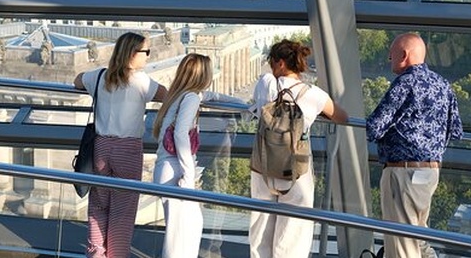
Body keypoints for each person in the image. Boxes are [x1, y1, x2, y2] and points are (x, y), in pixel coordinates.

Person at [249, 39, 349, 258]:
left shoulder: (265, 83)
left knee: (260, 230)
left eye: (271, 62)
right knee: (293, 235)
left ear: (281, 63)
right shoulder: (313, 94)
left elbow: (257, 109)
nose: (270, 67)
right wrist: (314, 112)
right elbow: (342, 117)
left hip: (263, 166)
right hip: (296, 171)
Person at [366, 33, 463, 258]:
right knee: (418, 238)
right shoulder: (442, 84)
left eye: (391, 54)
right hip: (430, 172)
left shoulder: (405, 83)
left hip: (403, 171)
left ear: (404, 55)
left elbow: (374, 127)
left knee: (402, 244)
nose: (389, 58)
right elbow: (455, 130)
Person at [73, 32, 168, 258]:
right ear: (133, 54)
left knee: (98, 207)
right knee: (122, 212)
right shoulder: (142, 81)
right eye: (146, 52)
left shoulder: (99, 77)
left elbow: (77, 81)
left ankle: (95, 254)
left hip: (101, 147)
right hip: (128, 149)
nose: (148, 57)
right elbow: (167, 95)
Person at [151, 53, 247, 258]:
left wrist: (241, 104)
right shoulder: (191, 98)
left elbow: (212, 96)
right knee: (182, 237)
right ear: (204, 74)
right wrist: (188, 175)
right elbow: (180, 133)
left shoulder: (181, 94)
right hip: (176, 170)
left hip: (168, 168)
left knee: (187, 229)